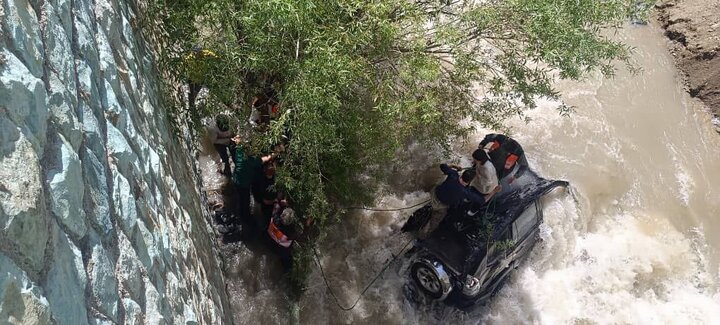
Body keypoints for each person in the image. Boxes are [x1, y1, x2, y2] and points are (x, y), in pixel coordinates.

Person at [418, 164, 493, 239]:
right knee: (434, 222)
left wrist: (454, 166)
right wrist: (494, 191)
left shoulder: (453, 174)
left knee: (437, 186)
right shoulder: (466, 192)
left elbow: (442, 166)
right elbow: (483, 200)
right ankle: (422, 237)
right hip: (441, 206)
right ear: (470, 181)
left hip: (434, 194)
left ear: (462, 175)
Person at [231, 136, 278, 225]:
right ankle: (245, 218)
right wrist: (275, 153)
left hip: (237, 178)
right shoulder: (251, 161)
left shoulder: (239, 151)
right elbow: (265, 159)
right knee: (244, 201)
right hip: (243, 184)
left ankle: (243, 213)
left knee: (242, 198)